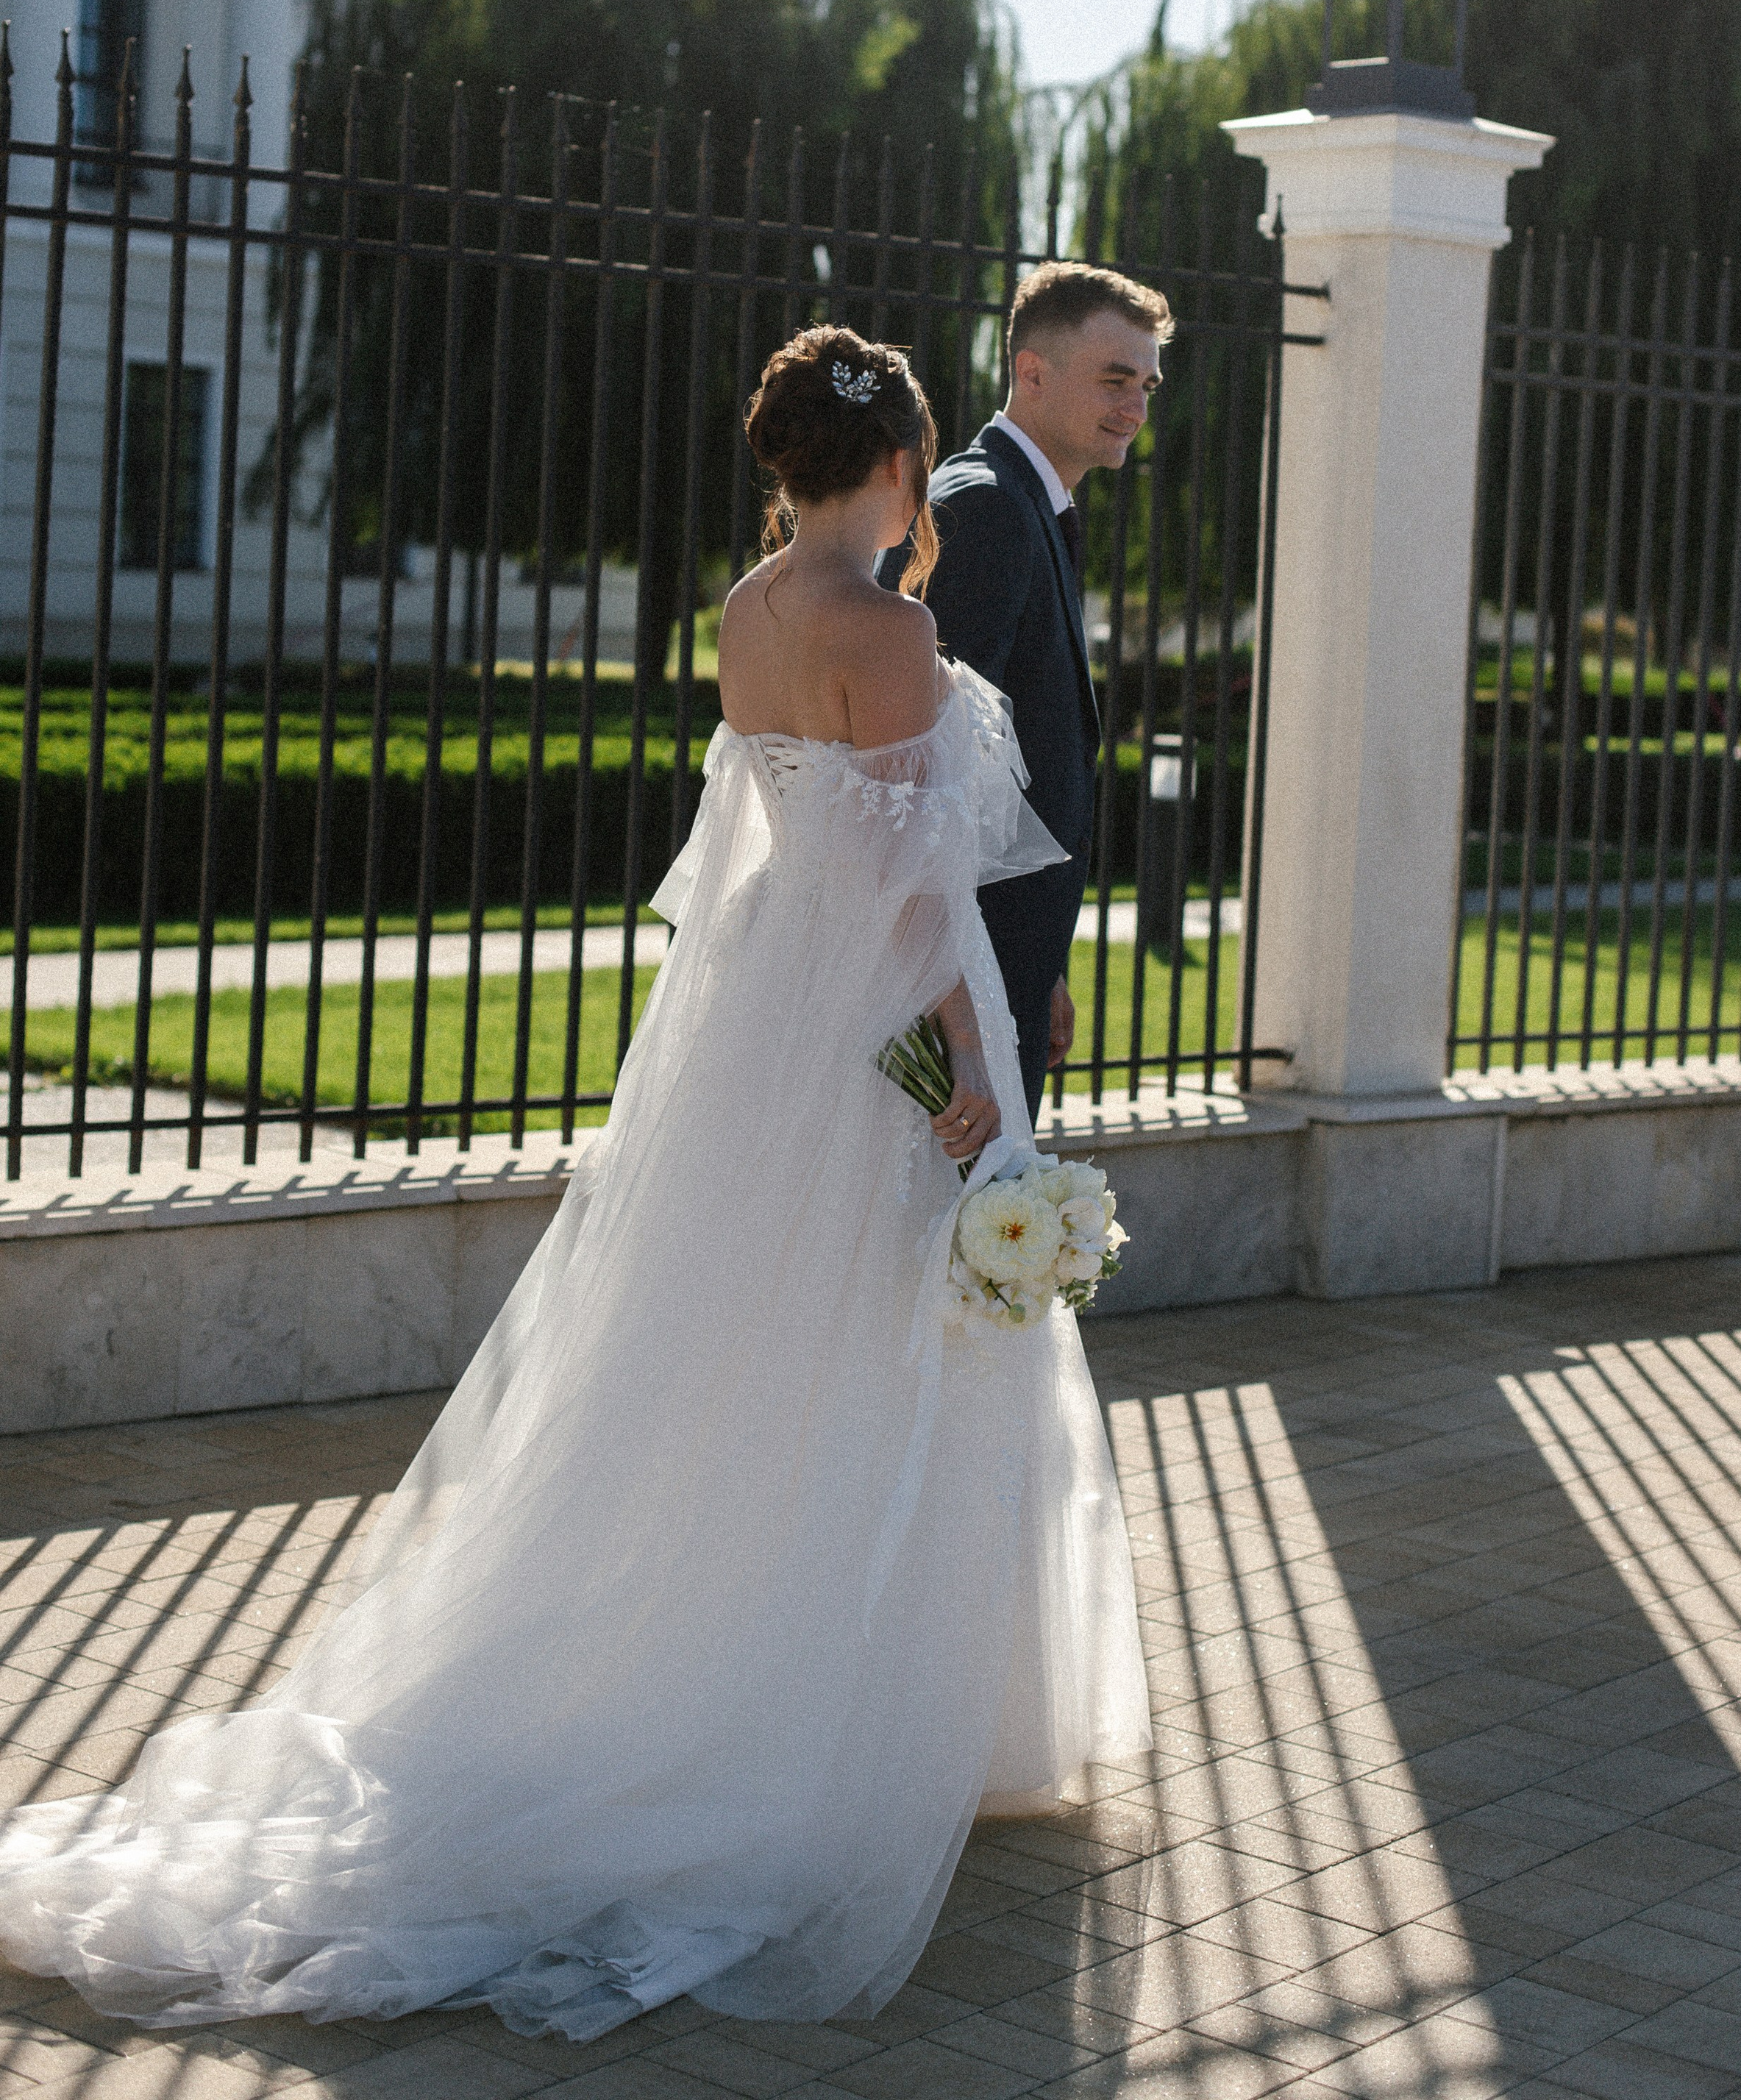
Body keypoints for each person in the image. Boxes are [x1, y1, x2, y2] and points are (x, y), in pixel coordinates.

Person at [0, 324, 1147, 2042]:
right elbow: (913, 895)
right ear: (905, 464)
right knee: (882, 1346)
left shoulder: (750, 612)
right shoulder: (887, 625)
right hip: (876, 1028)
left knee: (725, 1354)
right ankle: (855, 1718)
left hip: (760, 1012)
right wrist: (968, 1084)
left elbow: (762, 846)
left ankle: (725, 1656)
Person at [882, 264, 1172, 1113]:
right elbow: (923, 778)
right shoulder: (987, 507)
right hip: (954, 989)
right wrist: (965, 1004)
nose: (1136, 407)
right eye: (1114, 379)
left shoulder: (1021, 505)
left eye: (1147, 385)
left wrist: (1039, 967)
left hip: (1003, 964)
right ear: (1031, 371)